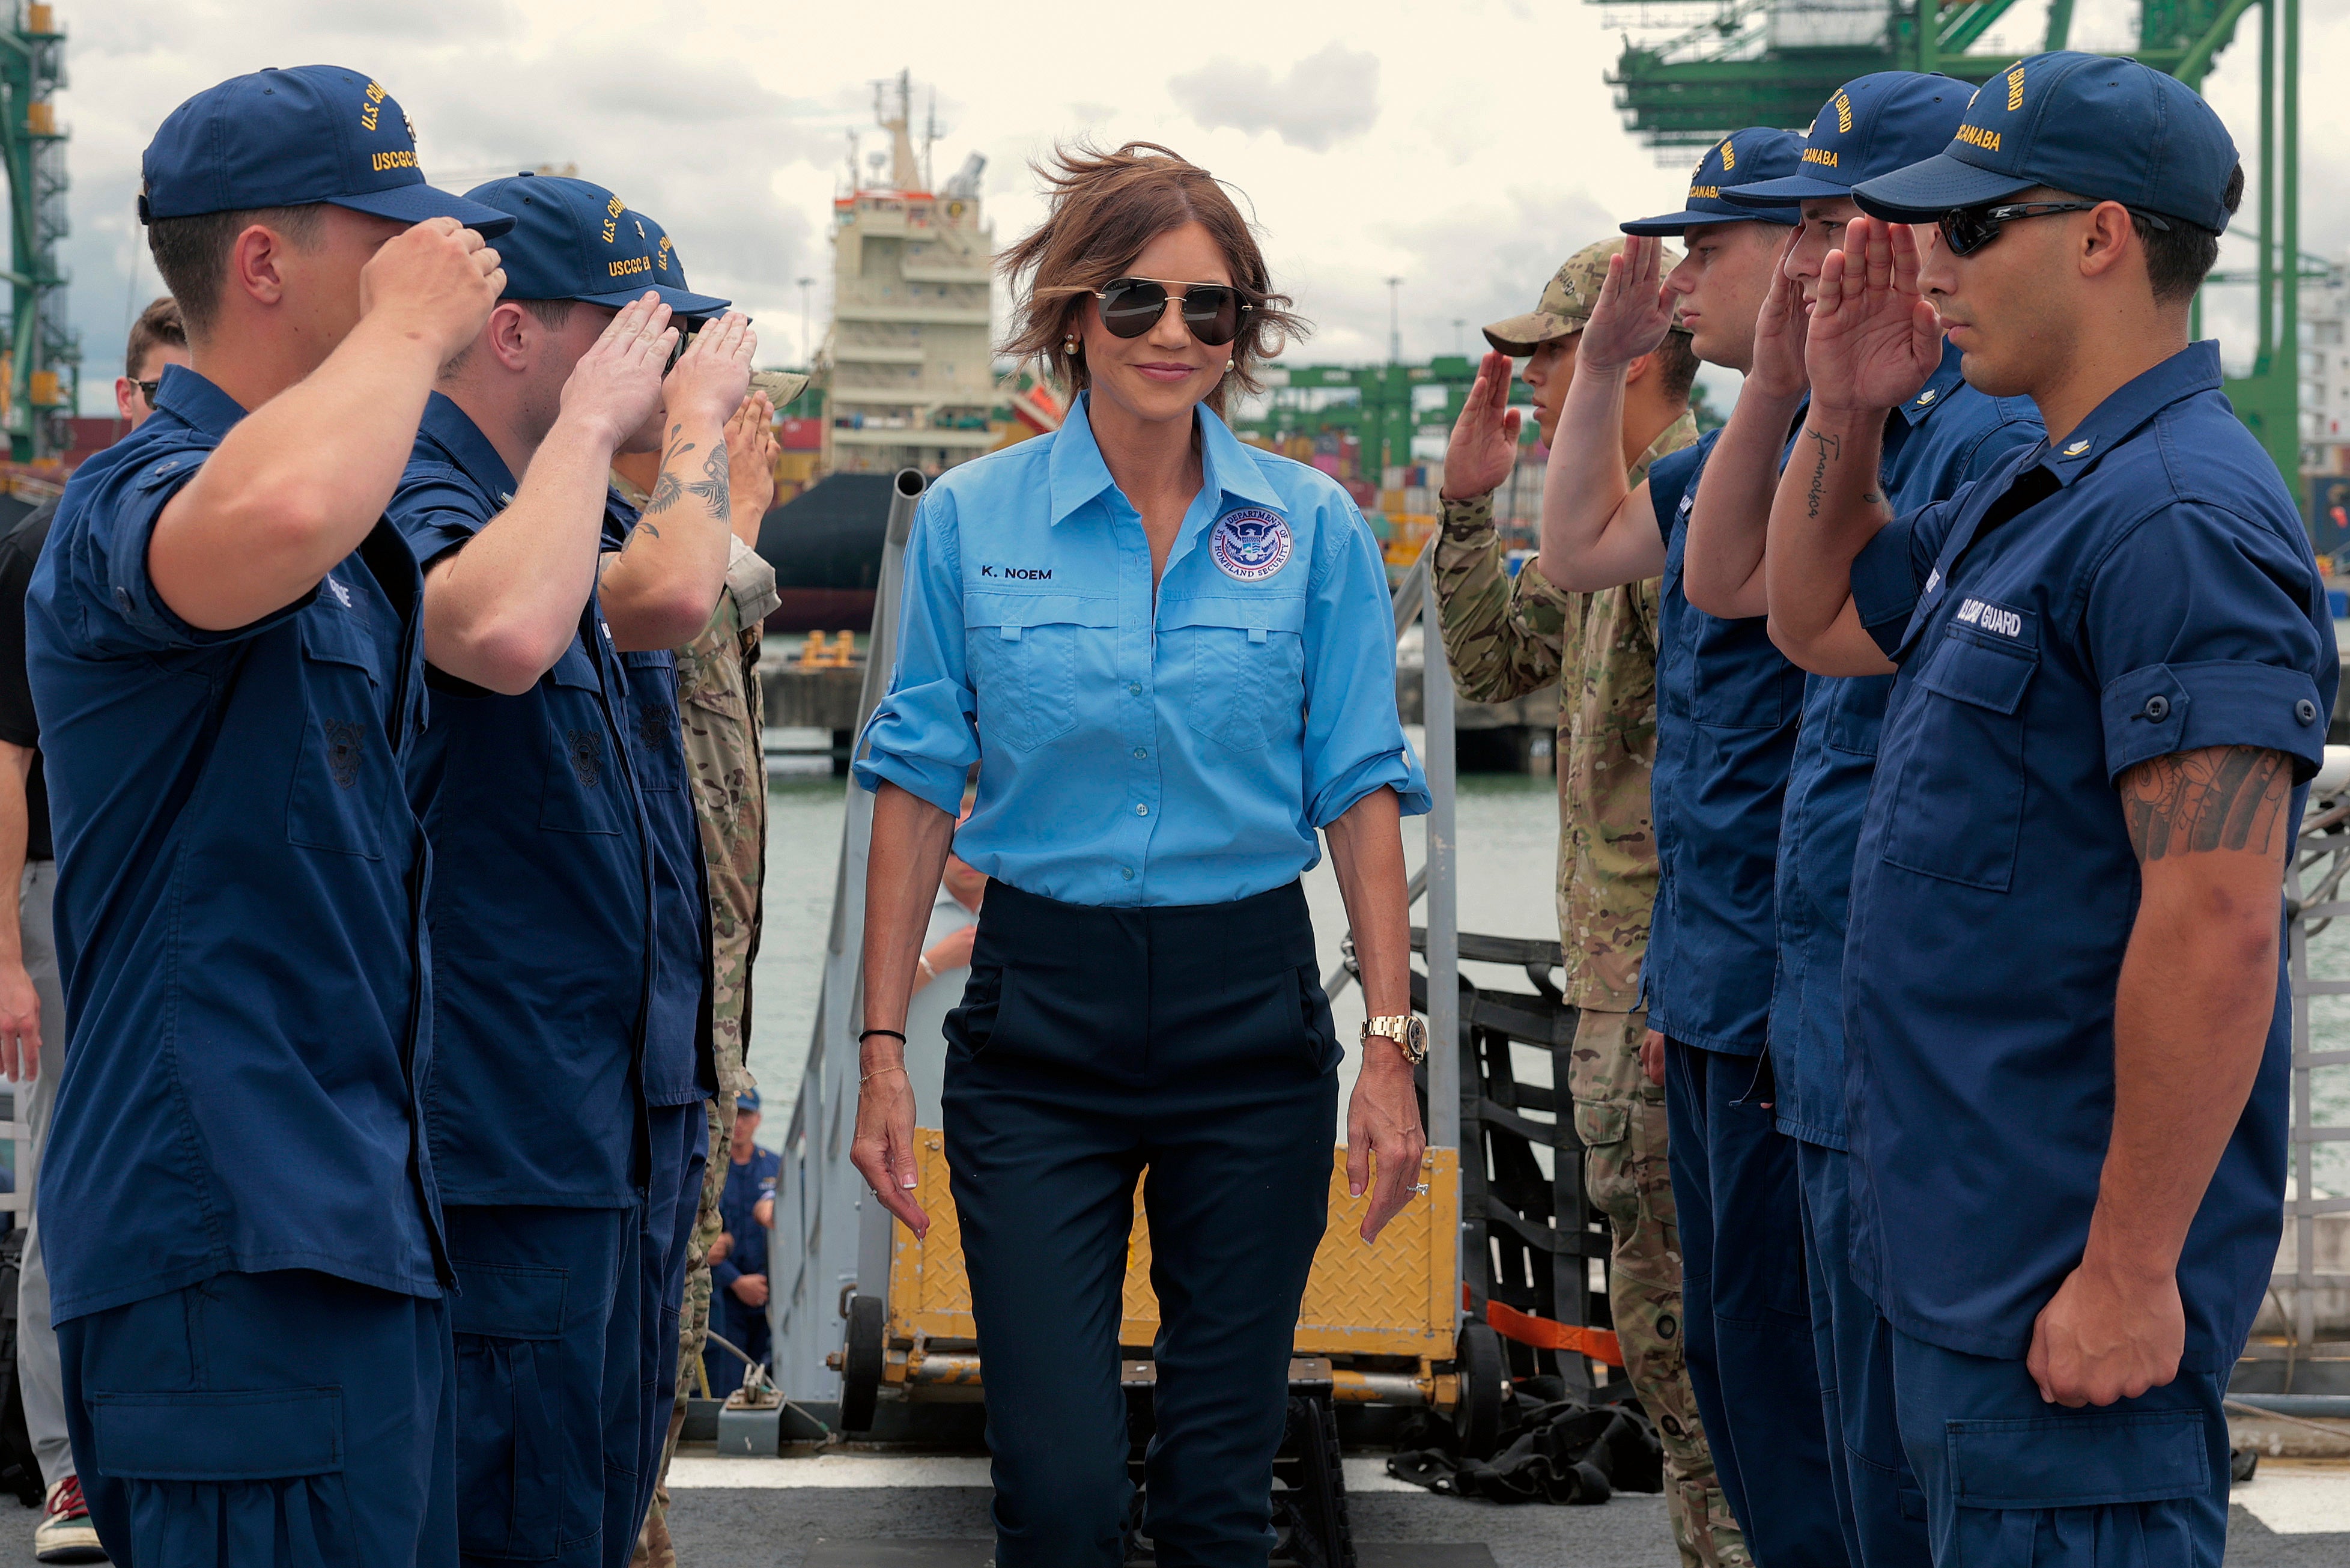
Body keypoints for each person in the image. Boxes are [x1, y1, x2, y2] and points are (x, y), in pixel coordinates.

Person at [1762, 52, 2335, 1567]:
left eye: (1969, 227)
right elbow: (1813, 617)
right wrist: (1844, 409)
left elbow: (2216, 925)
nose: (1929, 268)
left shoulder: (2175, 521)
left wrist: (2130, 1273)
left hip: (2062, 1298)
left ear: (2098, 237)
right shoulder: (2048, 491)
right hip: (1962, 1258)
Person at [849, 142, 1429, 1566]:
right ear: (1072, 313)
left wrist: (1388, 1046)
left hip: (1251, 1021)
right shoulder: (970, 521)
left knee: (1217, 1496)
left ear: (1240, 328)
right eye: (1135, 300)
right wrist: (879, 1049)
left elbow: (1360, 783)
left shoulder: (1313, 527)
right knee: (1056, 1495)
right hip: (1038, 1025)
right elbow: (915, 785)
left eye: (1207, 306)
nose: (1173, 332)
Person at [25, 65, 509, 1565]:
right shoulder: (136, 502)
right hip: (224, 1228)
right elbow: (276, 513)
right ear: (261, 262)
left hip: (351, 1211)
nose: (435, 264)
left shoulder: (351, 541)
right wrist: (412, 335)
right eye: (391, 240)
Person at [1677, 72, 2044, 1568]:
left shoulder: (1974, 435)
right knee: (1789, 1418)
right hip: (1811, 1014)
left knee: (1881, 1479)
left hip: (1893, 1043)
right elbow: (1728, 584)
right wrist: (1790, 382)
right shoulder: (1873, 408)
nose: (1817, 255)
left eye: (1849, 223)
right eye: (1810, 226)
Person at [381, 172, 744, 1567]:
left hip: (620, 1112)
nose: (665, 359)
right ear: (515, 331)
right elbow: (640, 602)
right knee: (513, 1506)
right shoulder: (419, 490)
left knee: (595, 1493)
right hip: (507, 1116)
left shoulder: (574, 508)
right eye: (631, 328)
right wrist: (685, 428)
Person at [1532, 130, 1854, 1565]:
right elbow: (1573, 549)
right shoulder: (1737, 456)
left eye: (1707, 250)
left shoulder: (1869, 458)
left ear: (1801, 251)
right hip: (1708, 987)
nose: (1679, 282)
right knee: (1729, 1363)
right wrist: (1602, 370)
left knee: (1800, 1388)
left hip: (1792, 1009)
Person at [1430, 239, 1745, 1568]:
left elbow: (1736, 784)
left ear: (1636, 351)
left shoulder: (1699, 513)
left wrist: (1683, 983)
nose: (1534, 383)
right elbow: (1493, 662)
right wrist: (1465, 511)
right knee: (1660, 1312)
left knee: (1692, 1316)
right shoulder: (1613, 516)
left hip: (1675, 991)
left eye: (1548, 355)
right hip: (1630, 987)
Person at [613, 214, 791, 1568]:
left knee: (642, 1402)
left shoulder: (663, 543)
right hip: (621, 1063)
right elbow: (684, 737)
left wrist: (733, 534)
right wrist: (722, 530)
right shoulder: (587, 541)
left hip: (686, 1053)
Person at [0, 293, 184, 1565]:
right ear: (127, 399)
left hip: (177, 886)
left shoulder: (219, 535)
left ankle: (165, 1438)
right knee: (71, 1161)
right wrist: (6, 960)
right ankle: (70, 1464)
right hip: (65, 890)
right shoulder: (46, 546)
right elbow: (4, 764)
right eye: (167, 393)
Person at [704, 1089, 781, 1399]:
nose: (738, 1122)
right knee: (726, 1378)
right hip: (724, 1293)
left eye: (746, 1115)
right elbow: (702, 1241)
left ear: (758, 1119)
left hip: (768, 1293)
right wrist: (736, 1281)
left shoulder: (776, 1167)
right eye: (733, 1113)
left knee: (769, 1375)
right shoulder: (708, 1170)